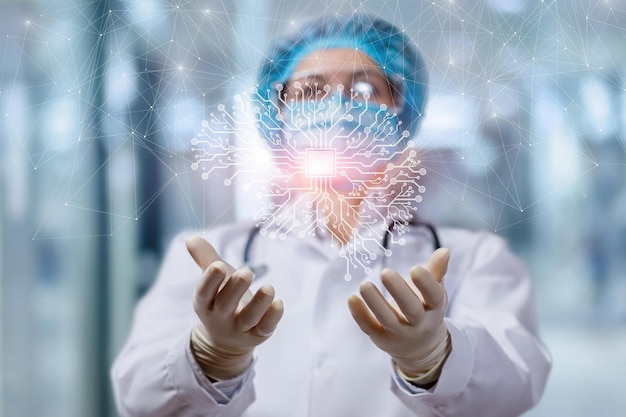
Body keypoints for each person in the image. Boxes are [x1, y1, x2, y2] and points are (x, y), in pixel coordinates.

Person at [111, 13, 551, 417]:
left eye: (363, 90)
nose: (338, 105)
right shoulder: (215, 254)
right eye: (311, 90)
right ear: (277, 112)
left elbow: (519, 381)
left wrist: (435, 357)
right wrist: (209, 357)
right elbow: (137, 394)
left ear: (401, 113)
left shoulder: (474, 257)